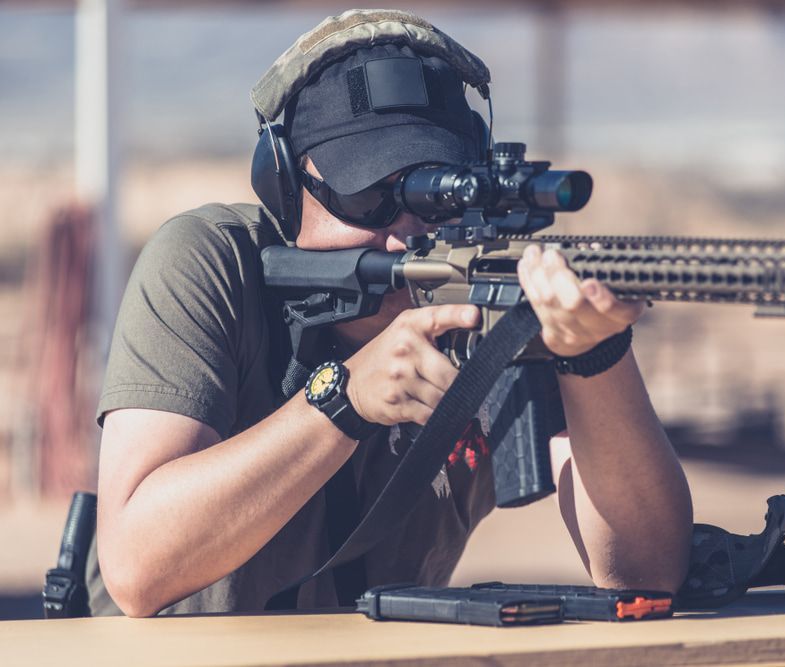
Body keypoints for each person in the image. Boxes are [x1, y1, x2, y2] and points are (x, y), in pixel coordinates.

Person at [86, 11, 693, 617]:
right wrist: (341, 402)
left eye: (436, 197)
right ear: (285, 186)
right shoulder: (211, 264)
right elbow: (138, 569)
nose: (406, 236)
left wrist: (596, 354)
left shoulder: (492, 295)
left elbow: (646, 572)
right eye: (369, 194)